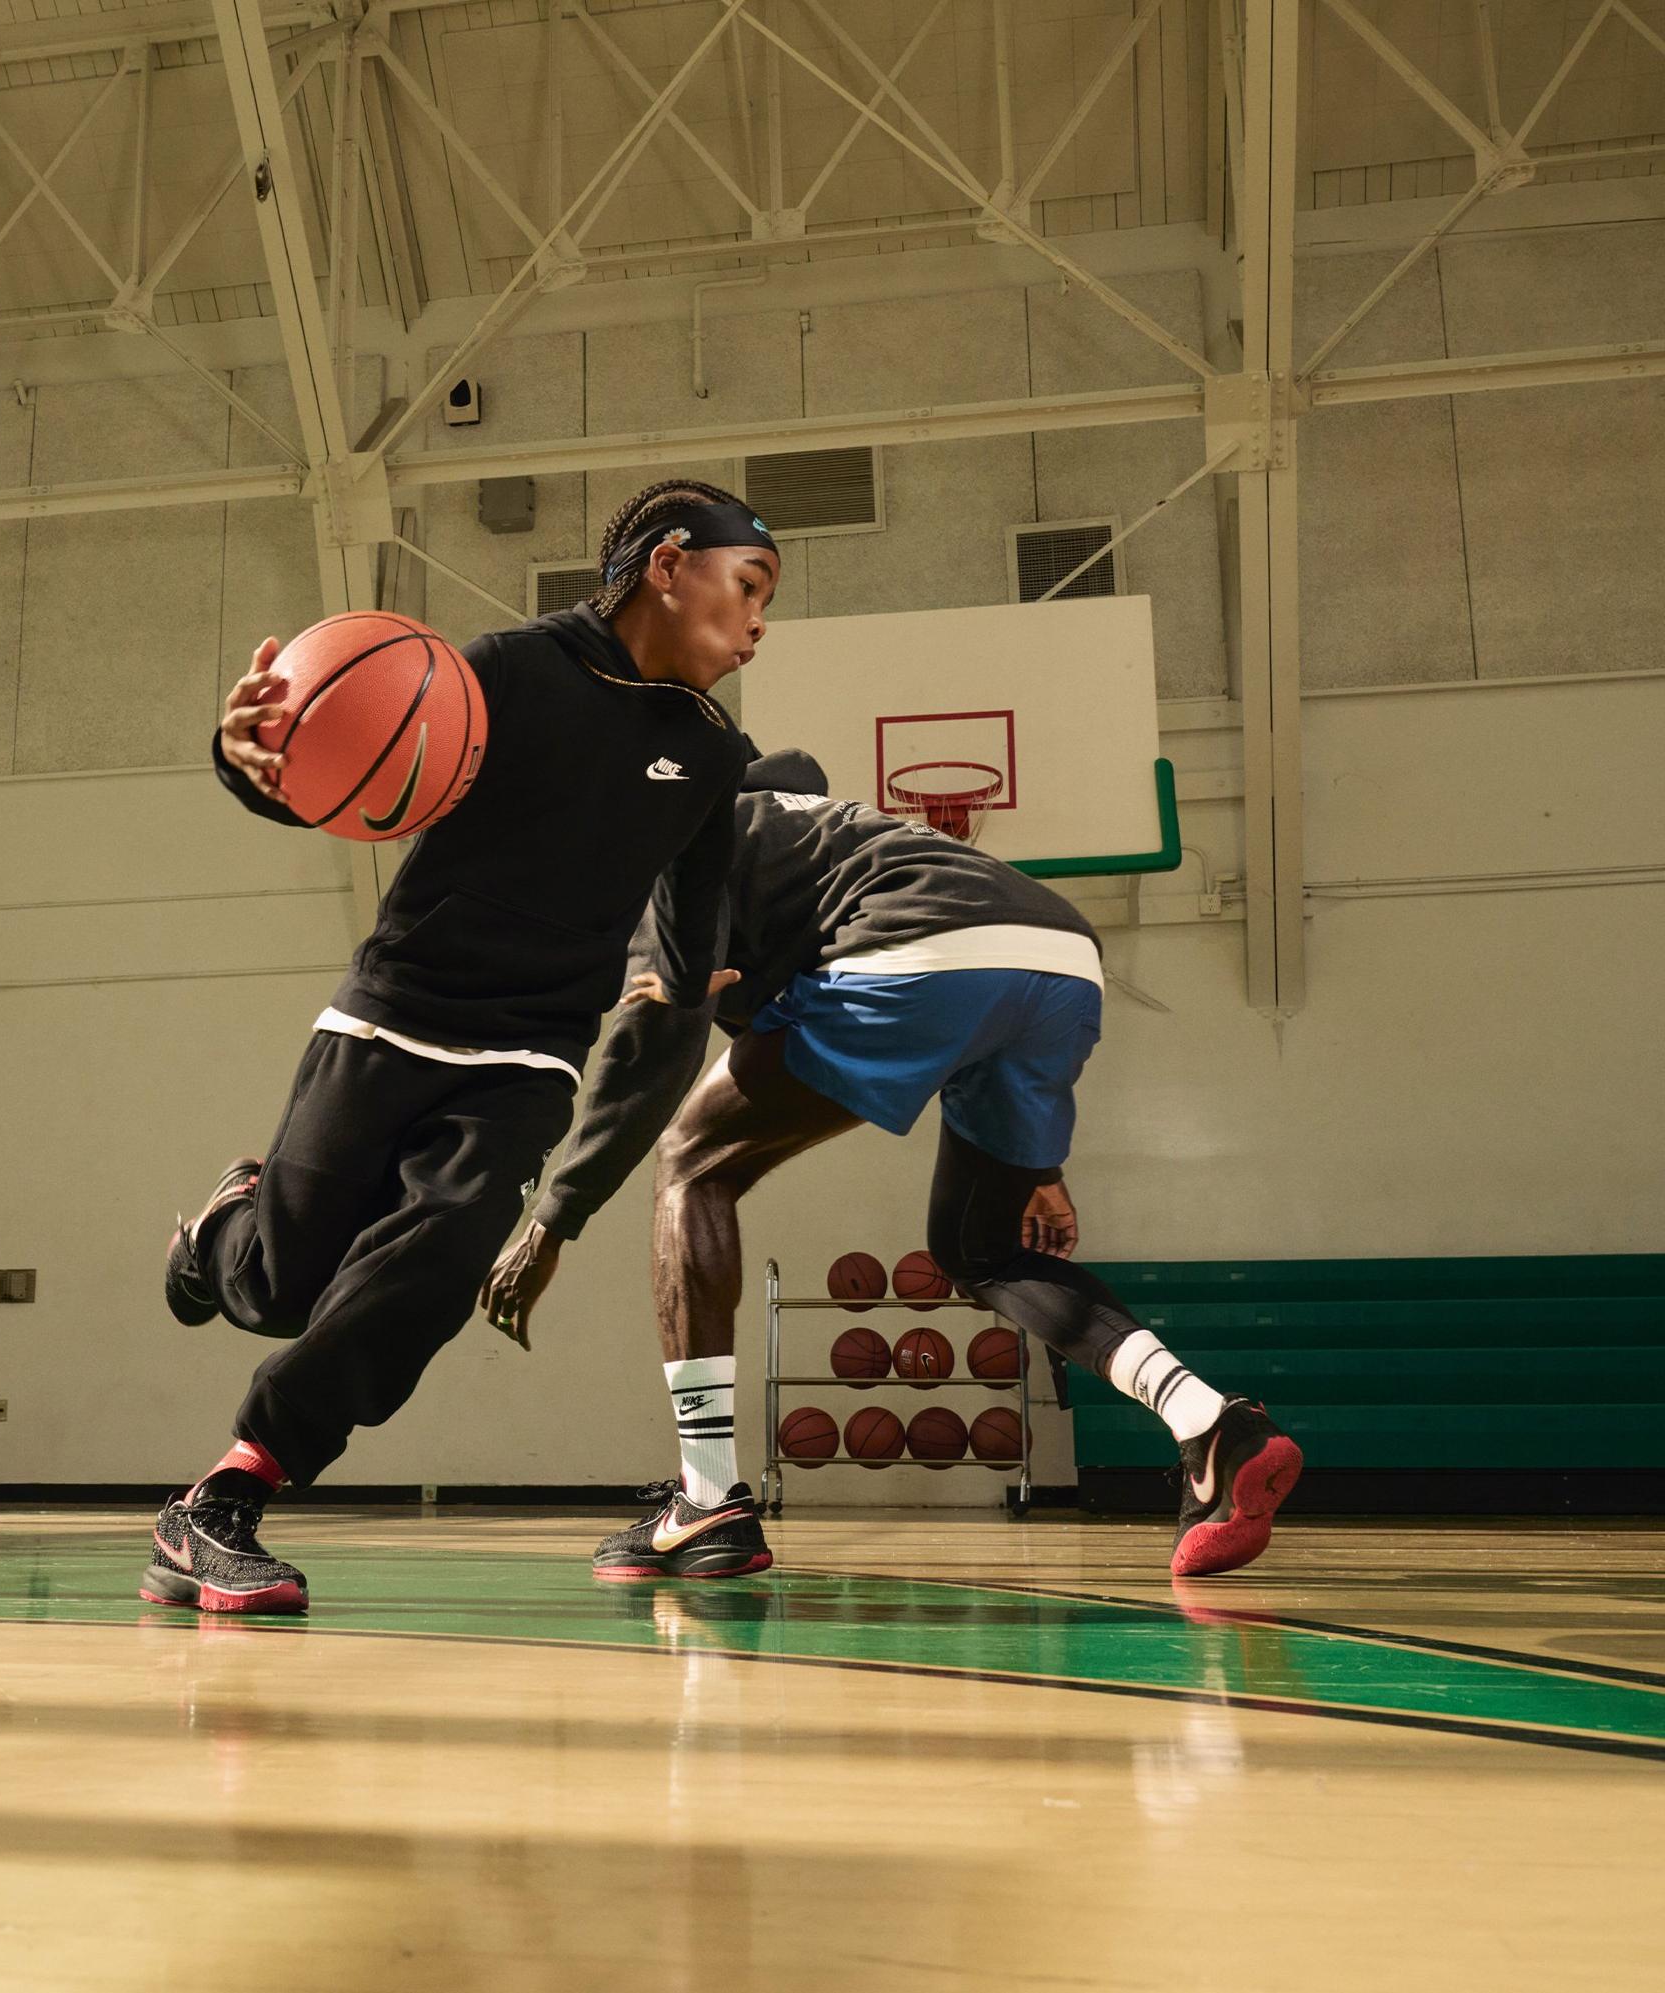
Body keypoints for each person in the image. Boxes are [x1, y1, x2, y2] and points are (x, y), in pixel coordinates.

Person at [144, 481, 779, 1615]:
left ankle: (221, 1502)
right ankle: (221, 1229)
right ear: (669, 566)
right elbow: (352, 767)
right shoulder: (505, 670)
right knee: (281, 1288)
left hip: (529, 1054)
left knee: (434, 1268)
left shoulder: (710, 751)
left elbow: (691, 923)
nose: (758, 623)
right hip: (393, 1010)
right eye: (750, 586)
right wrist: (246, 761)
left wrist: (696, 987)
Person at [481, 749, 1302, 1583]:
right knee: (979, 1251)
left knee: (692, 1163)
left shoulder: (675, 848)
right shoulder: (830, 831)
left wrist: (552, 1221)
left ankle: (706, 1497)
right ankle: (1210, 1422)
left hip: (919, 952)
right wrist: (1039, 1164)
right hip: (1059, 958)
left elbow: (650, 1051)